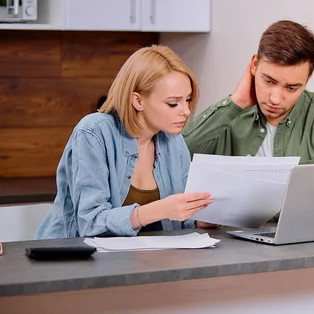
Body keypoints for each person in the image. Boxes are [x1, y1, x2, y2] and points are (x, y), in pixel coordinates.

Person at [35, 45, 213, 239]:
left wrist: (200, 219)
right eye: (173, 103)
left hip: (140, 260)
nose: (186, 110)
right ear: (138, 101)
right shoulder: (93, 133)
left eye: (188, 100)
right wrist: (159, 209)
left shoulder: (174, 142)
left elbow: (178, 216)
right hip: (71, 260)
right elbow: (91, 222)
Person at [183, 20, 314, 164]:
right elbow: (176, 156)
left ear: (308, 79)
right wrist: (235, 102)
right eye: (269, 81)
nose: (275, 99)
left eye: (292, 88)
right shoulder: (229, 119)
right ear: (254, 65)